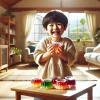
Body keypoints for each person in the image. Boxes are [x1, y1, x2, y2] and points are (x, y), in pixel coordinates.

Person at [33, 10, 76, 100]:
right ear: (45, 28)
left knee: (66, 96)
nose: (55, 27)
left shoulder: (67, 42)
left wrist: (62, 54)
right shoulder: (44, 41)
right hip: (45, 76)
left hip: (63, 76)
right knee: (41, 95)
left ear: (65, 27)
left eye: (59, 24)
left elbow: (71, 59)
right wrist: (48, 54)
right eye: (51, 25)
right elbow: (37, 57)